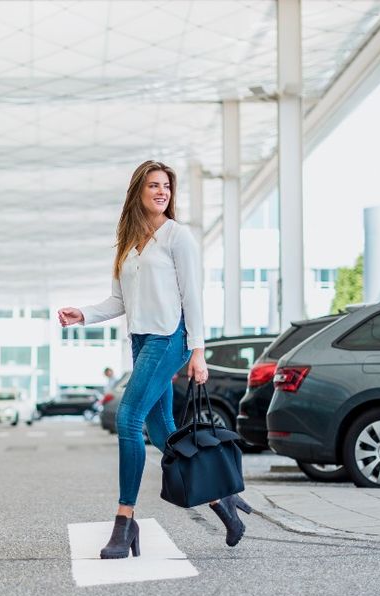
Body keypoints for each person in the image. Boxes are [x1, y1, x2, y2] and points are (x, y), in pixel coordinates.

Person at [58, 160, 251, 558]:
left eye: (166, 186)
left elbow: (192, 295)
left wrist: (198, 349)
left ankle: (124, 522)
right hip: (143, 340)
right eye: (153, 186)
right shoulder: (127, 241)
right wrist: (84, 314)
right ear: (138, 193)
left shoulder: (177, 237)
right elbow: (119, 300)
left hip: (170, 338)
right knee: (165, 434)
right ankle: (223, 503)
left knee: (128, 420)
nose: (161, 192)